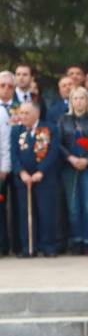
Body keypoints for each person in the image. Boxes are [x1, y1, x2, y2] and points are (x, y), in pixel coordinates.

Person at [57, 86, 88, 254]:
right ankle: (76, 241)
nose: (79, 101)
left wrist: (87, 159)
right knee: (73, 206)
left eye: (82, 98)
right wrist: (70, 158)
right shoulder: (64, 120)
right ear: (71, 101)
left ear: (87, 101)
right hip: (69, 168)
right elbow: (58, 142)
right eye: (75, 98)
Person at [11, 101, 61, 257]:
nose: (23, 116)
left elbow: (53, 152)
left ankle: (48, 246)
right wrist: (21, 172)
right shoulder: (16, 131)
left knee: (46, 213)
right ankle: (29, 247)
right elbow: (13, 154)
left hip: (44, 179)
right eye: (21, 113)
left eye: (26, 113)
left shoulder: (49, 128)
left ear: (36, 114)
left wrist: (41, 171)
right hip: (24, 180)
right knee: (25, 214)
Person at [0, 72, 16, 254]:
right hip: (2, 165)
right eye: (2, 85)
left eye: (9, 86)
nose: (5, 89)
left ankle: (17, 245)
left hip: (18, 165)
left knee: (18, 207)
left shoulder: (21, 108)